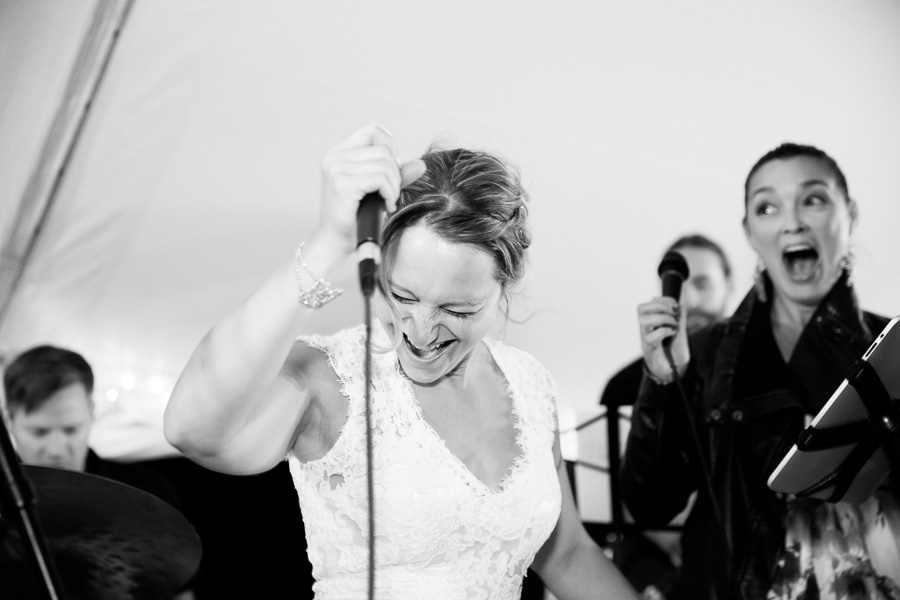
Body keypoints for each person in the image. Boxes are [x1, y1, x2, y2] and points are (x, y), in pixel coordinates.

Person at [163, 123, 639, 599]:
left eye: (457, 310)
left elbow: (568, 556)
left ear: (504, 288)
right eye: (402, 296)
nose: (420, 331)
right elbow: (192, 429)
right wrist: (329, 242)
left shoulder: (530, 383)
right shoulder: (330, 377)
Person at [620, 143, 900, 600]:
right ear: (749, 232)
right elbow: (651, 505)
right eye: (768, 207)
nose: (792, 222)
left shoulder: (892, 344)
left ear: (849, 214)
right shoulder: (706, 353)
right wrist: (664, 382)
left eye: (813, 199)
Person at [2, 345, 195, 599]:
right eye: (39, 432)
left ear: (92, 413)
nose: (56, 450)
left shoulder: (148, 494)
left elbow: (181, 594)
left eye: (71, 429)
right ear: (8, 420)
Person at [599, 234, 733, 598]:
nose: (690, 301)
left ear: (729, 285)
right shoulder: (624, 384)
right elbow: (617, 490)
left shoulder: (751, 368)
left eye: (703, 284)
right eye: (681, 287)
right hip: (651, 556)